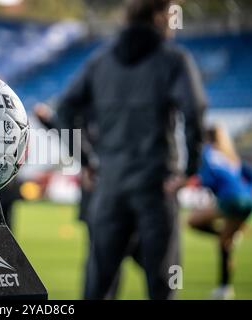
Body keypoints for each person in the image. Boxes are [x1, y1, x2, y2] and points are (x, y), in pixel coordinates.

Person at [35, 0, 206, 299]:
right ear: (157, 16)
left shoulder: (100, 61)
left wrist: (86, 160)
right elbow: (195, 111)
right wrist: (189, 170)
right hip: (156, 186)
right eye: (171, 15)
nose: (174, 23)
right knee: (165, 281)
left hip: (109, 187)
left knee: (98, 283)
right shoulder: (174, 59)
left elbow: (64, 109)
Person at [188, 125, 252, 300]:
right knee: (225, 243)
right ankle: (225, 288)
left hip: (231, 199)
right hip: (248, 200)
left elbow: (207, 178)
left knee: (192, 221)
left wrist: (200, 184)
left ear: (207, 138)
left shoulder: (207, 153)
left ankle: (224, 234)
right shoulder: (230, 155)